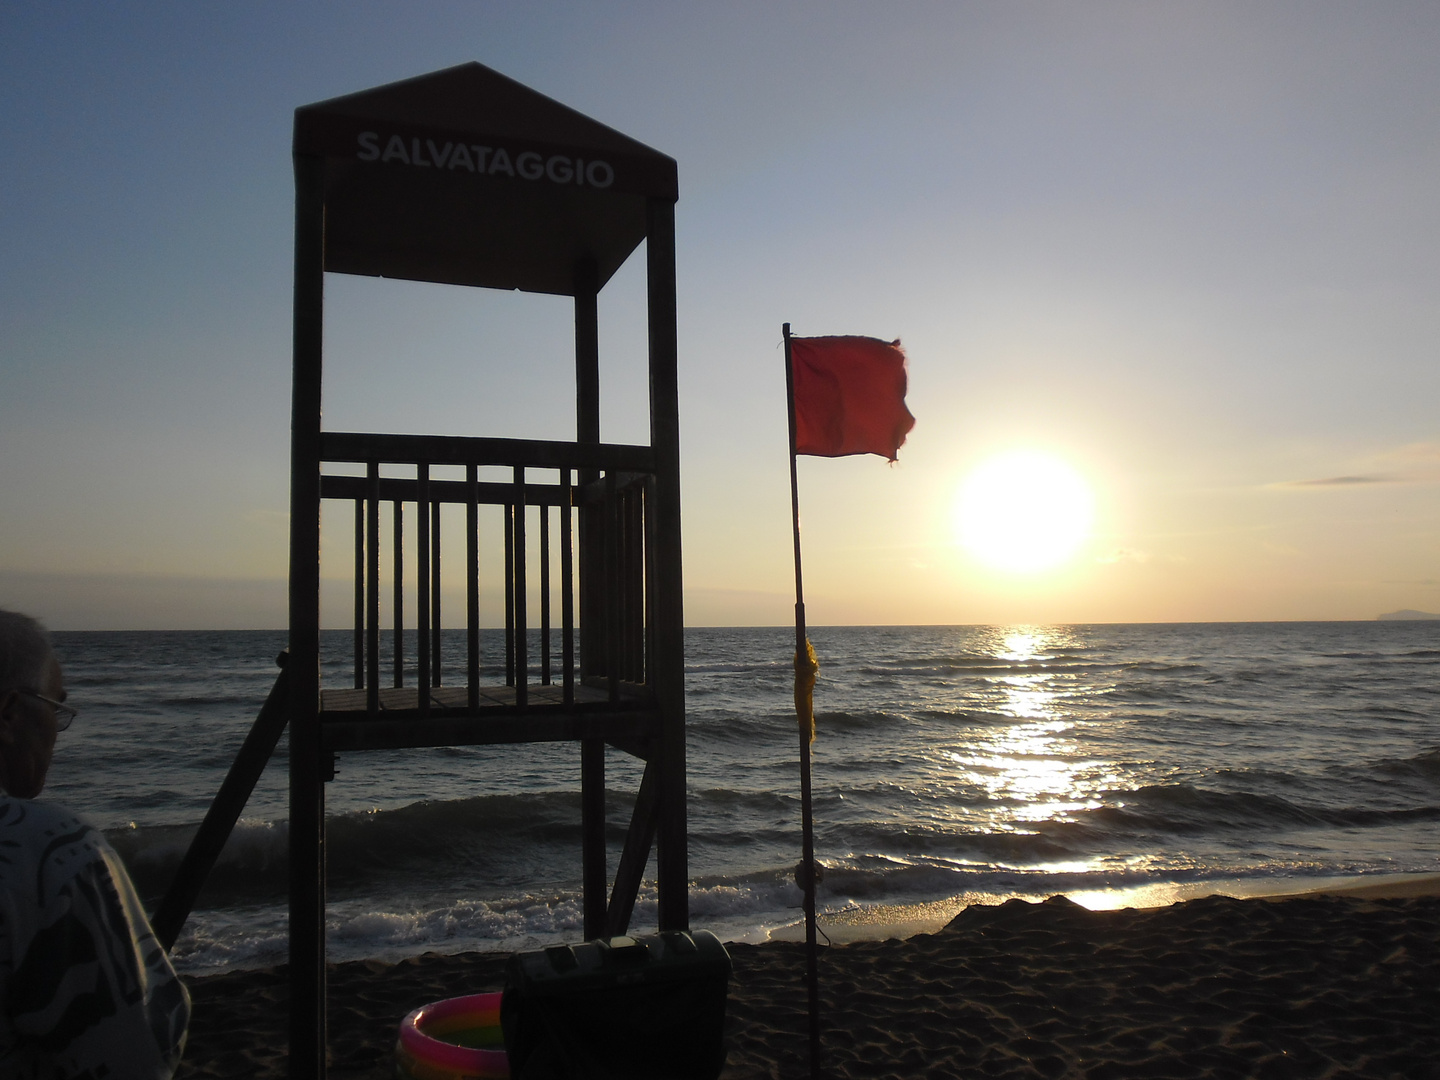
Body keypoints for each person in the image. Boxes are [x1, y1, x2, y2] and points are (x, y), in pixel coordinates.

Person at [0, 609, 189, 1079]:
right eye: (54, 707)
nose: (57, 733)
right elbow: (142, 1048)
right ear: (9, 712)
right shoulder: (48, 852)